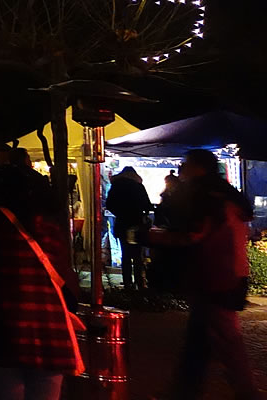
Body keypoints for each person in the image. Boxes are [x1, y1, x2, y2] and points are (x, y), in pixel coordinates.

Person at [0, 165, 82, 400]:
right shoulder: (49, 225)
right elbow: (63, 271)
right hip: (51, 328)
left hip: (3, 326)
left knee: (4, 389)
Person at [152, 149, 259, 400]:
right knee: (199, 341)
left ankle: (247, 393)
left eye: (186, 164)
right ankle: (185, 391)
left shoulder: (208, 198)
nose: (182, 169)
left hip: (216, 276)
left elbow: (195, 235)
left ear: (198, 167)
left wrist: (153, 237)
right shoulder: (225, 195)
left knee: (226, 339)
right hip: (225, 274)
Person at [105, 166, 153, 291]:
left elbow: (109, 204)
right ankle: (139, 283)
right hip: (136, 224)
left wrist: (120, 213)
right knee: (137, 255)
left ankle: (127, 284)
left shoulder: (116, 186)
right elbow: (146, 205)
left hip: (122, 224)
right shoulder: (138, 186)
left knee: (125, 255)